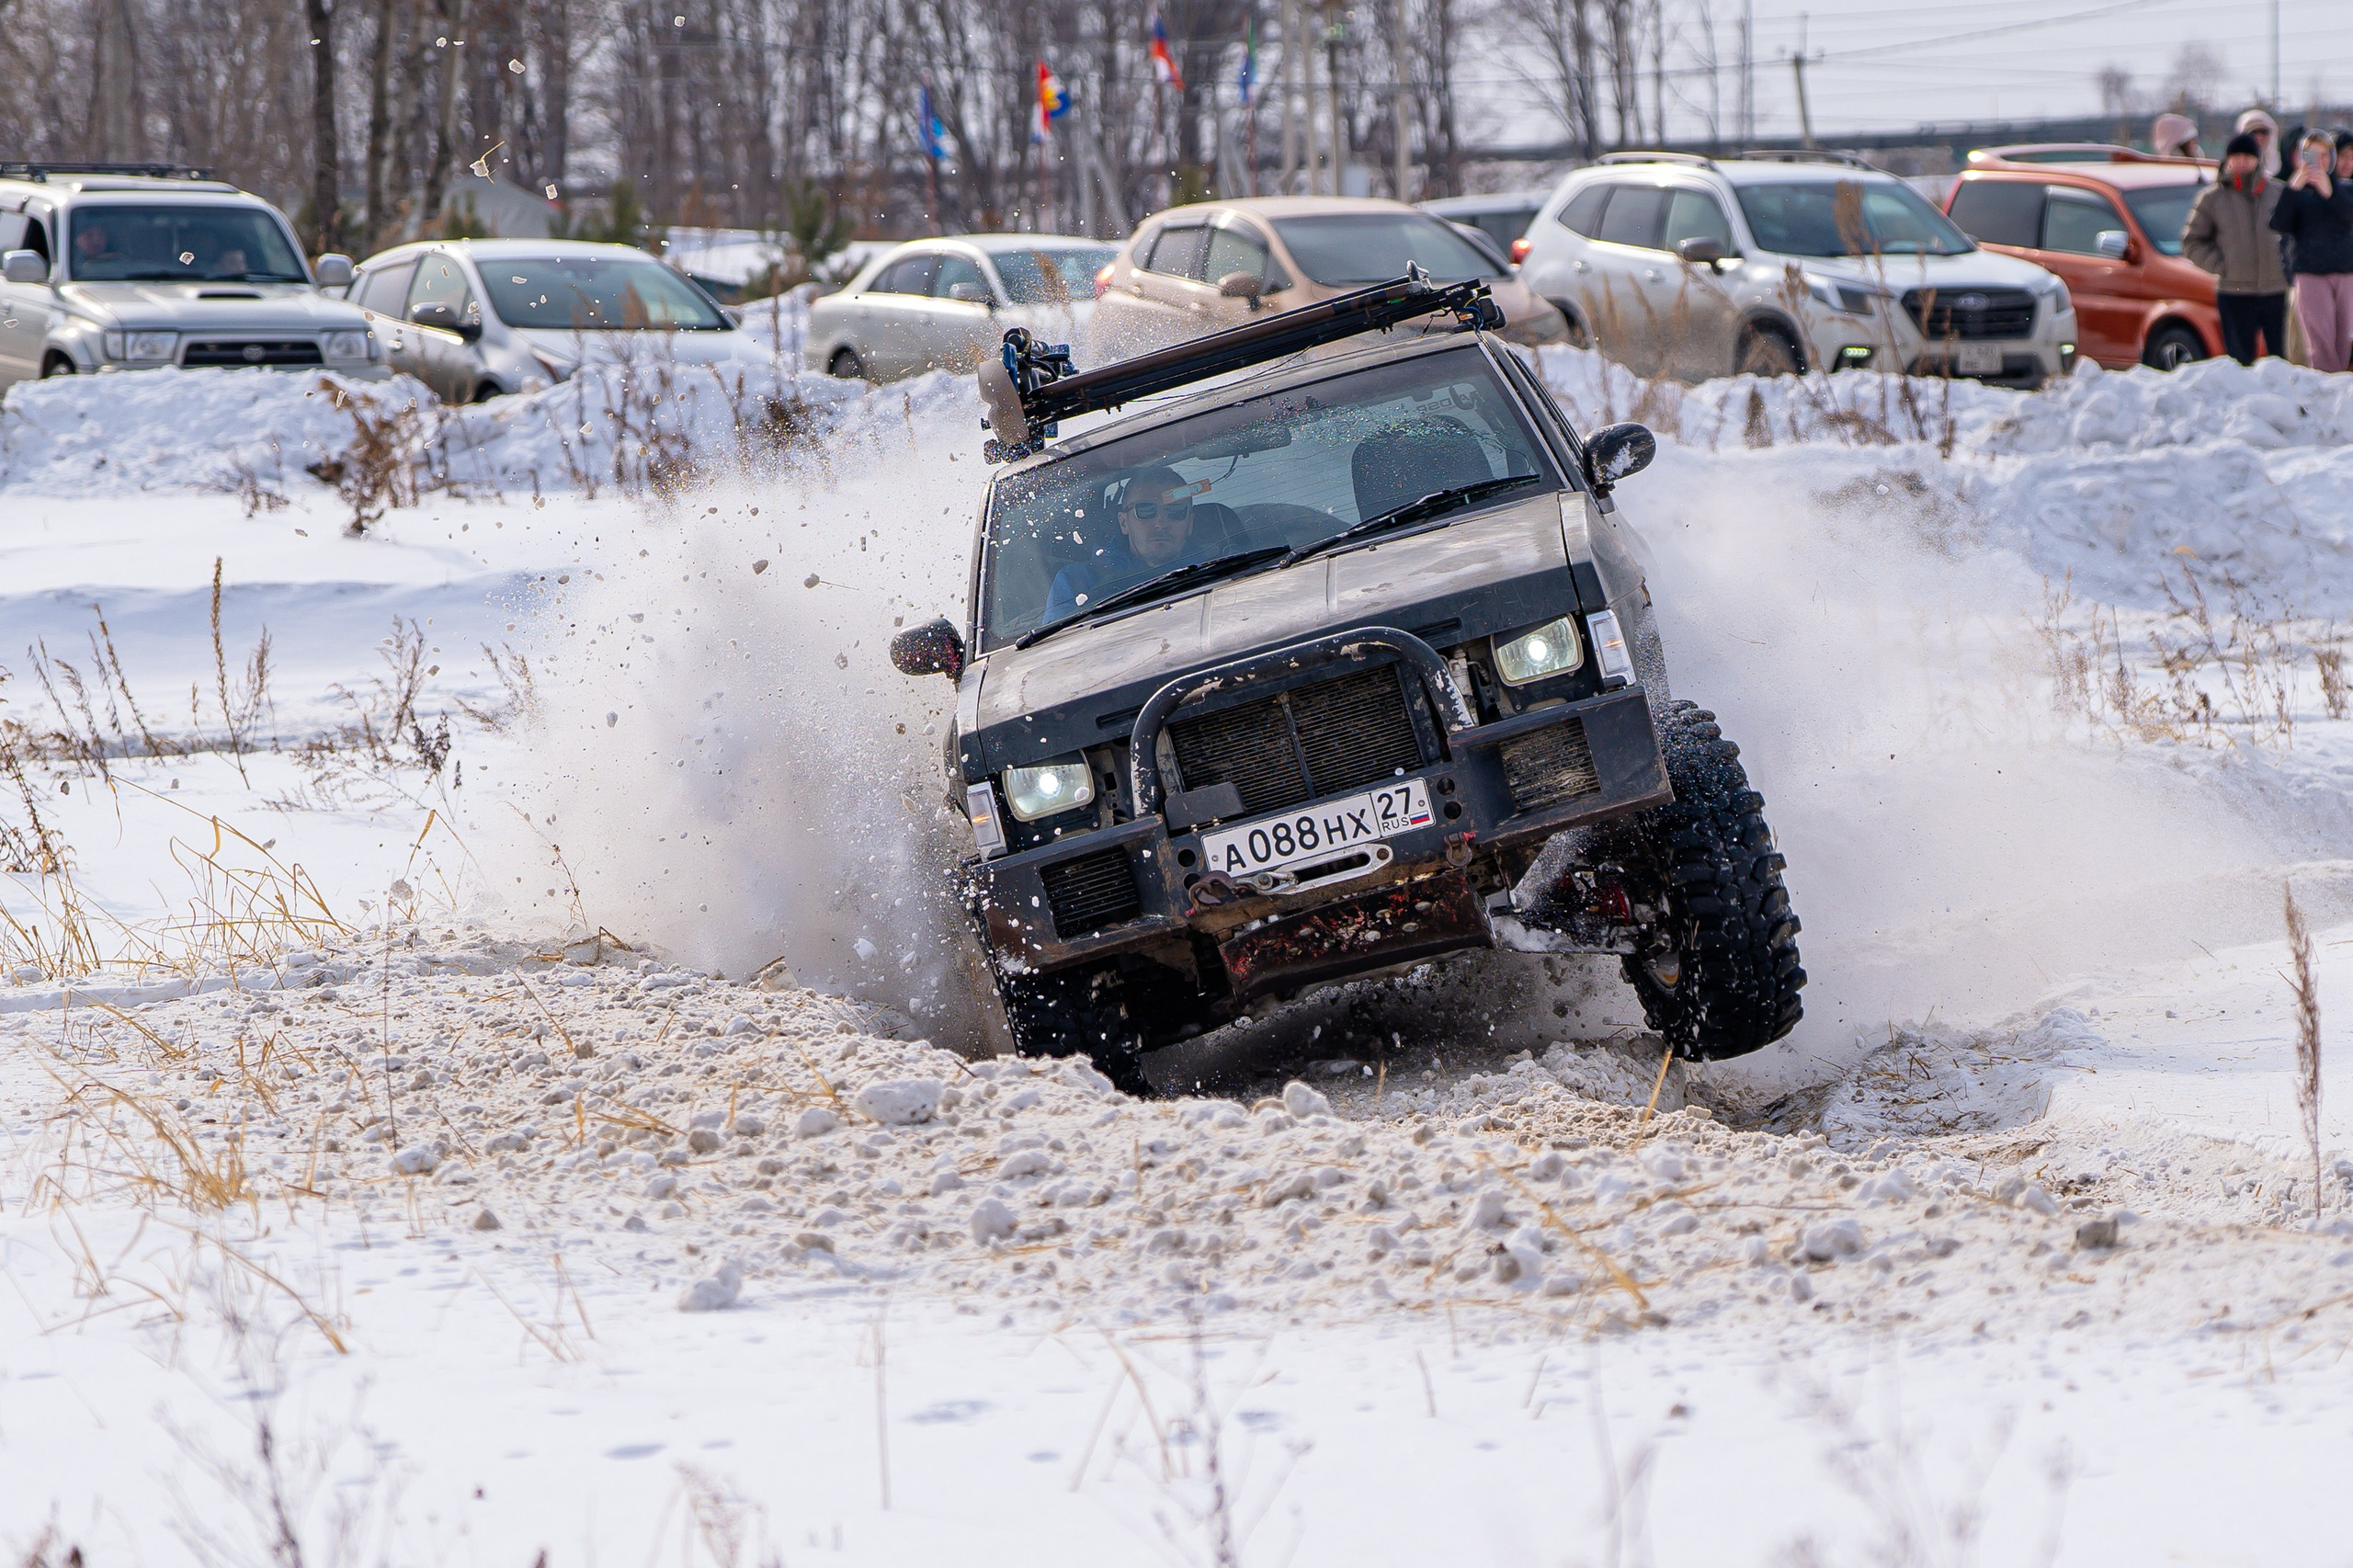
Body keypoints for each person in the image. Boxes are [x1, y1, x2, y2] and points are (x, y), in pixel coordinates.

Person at [1044, 466, 1207, 623]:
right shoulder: (1077, 582)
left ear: (1190, 523)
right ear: (1123, 522)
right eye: (1145, 510)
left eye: (1176, 511)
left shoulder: (1220, 567)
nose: (1160, 523)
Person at [2184, 131, 2287, 364]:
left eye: (2248, 156)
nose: (2242, 161)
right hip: (2234, 293)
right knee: (2240, 363)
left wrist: (2287, 266)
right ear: (2227, 159)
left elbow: (2295, 234)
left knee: (2283, 361)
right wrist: (2222, 266)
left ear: (2257, 159)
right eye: (2236, 155)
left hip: (2276, 291)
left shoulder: (2278, 193)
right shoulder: (2212, 198)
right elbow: (2192, 241)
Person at [2270, 129, 2353, 372]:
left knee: (2342, 342)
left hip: (2345, 272)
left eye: (2325, 155)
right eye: (2312, 155)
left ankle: (2339, 393)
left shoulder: (2344, 189)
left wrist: (2329, 191)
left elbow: (2348, 216)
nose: (2319, 162)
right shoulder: (2297, 192)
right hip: (2310, 273)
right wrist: (2294, 187)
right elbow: (2279, 224)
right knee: (2320, 344)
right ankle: (2326, 393)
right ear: (2301, 157)